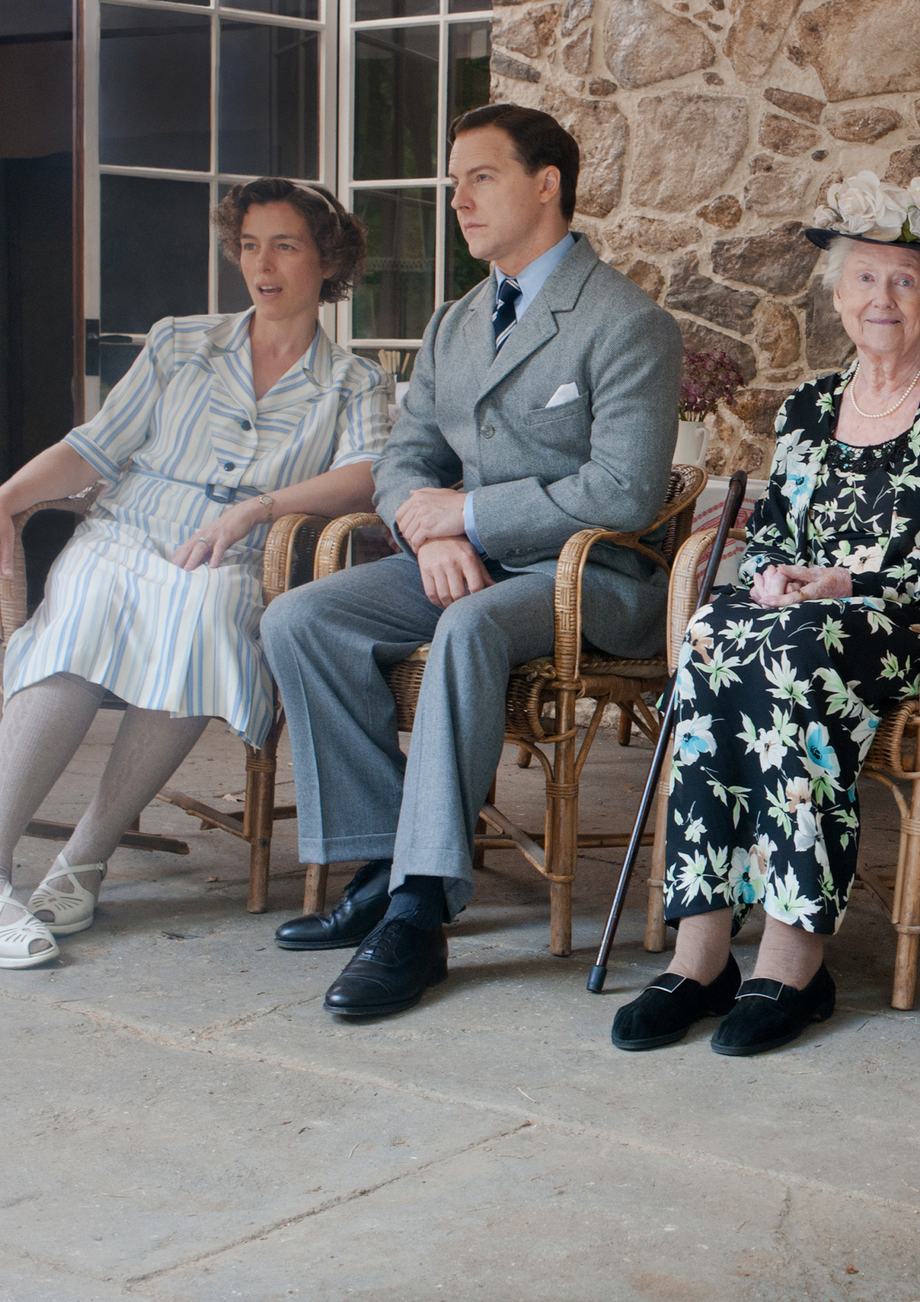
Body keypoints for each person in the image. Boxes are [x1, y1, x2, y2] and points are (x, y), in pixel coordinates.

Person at [260, 104, 681, 1017]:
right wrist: (437, 531)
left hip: (590, 578)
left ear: (546, 184)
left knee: (468, 625)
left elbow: (624, 493)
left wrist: (476, 516)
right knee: (300, 617)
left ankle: (419, 914)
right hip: (467, 561)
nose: (458, 201)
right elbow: (407, 456)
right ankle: (382, 862)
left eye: (479, 178)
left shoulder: (625, 320)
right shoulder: (455, 323)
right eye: (453, 184)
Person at [607, 173, 920, 1057]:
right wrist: (772, 579)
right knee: (715, 633)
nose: (884, 298)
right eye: (866, 279)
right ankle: (703, 952)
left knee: (798, 653)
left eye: (906, 281)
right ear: (838, 295)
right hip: (816, 621)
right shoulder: (807, 406)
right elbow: (772, 538)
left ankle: (794, 958)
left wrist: (845, 584)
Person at [0, 180, 387, 969]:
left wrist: (257, 509)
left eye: (285, 245)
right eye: (250, 244)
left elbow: (365, 477)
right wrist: (0, 501)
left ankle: (83, 857)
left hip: (236, 549)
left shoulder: (354, 381)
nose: (262, 263)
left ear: (328, 261)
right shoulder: (179, 342)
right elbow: (94, 447)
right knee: (81, 610)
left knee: (205, 615)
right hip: (131, 525)